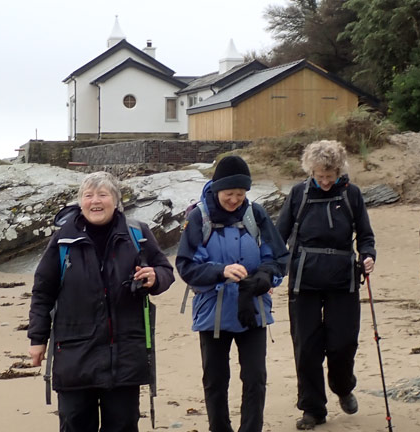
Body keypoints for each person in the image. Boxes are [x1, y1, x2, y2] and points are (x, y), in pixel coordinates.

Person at [28, 171, 175, 432]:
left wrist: (155, 277)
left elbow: (165, 271)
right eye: (88, 195)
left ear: (116, 201)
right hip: (74, 355)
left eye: (102, 194)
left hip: (124, 355)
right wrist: (37, 339)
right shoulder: (63, 240)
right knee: (74, 424)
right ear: (80, 202)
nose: (95, 201)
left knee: (123, 425)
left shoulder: (136, 234)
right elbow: (42, 292)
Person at [176, 155, 288, 432]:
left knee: (255, 378)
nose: (235, 199)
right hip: (212, 313)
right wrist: (221, 271)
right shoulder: (198, 217)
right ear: (216, 188)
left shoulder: (256, 214)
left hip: (254, 309)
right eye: (230, 193)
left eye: (241, 194)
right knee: (215, 379)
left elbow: (278, 258)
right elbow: (187, 267)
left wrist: (263, 276)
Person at [276, 140, 376, 430]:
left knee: (343, 343)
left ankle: (343, 385)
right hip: (303, 281)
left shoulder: (351, 194)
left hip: (343, 280)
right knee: (306, 348)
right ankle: (313, 408)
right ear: (310, 170)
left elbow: (366, 235)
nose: (325, 180)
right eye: (319, 174)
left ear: (339, 169)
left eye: (329, 174)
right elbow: (279, 235)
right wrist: (271, 270)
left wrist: (368, 256)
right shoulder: (299, 193)